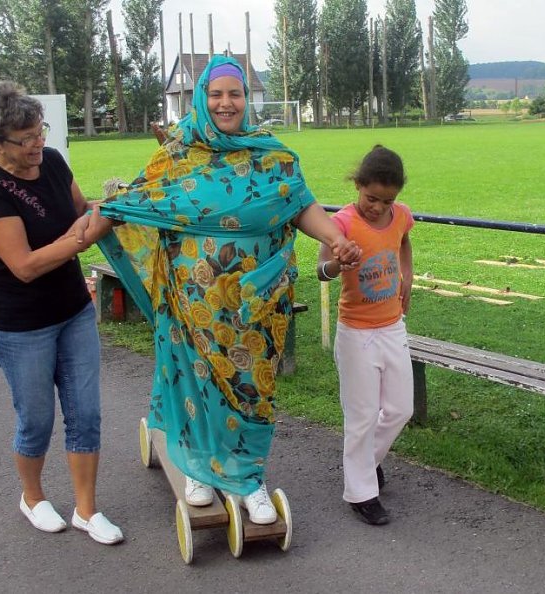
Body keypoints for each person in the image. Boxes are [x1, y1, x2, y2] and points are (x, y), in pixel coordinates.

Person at [95, 55, 360, 525]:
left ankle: (248, 475)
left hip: (255, 301)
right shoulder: (176, 156)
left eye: (234, 94)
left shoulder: (272, 156)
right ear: (201, 98)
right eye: (216, 94)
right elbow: (135, 202)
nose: (225, 103)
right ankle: (197, 465)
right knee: (196, 378)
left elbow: (299, 205)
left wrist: (336, 237)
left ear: (246, 99)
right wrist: (79, 230)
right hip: (190, 303)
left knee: (252, 385)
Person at [0, 81, 123, 545]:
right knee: (36, 417)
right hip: (20, 324)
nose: (38, 145)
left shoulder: (52, 162)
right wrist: (82, 236)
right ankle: (33, 498)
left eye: (41, 132)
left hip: (73, 309)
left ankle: (86, 510)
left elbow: (82, 209)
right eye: (26, 138)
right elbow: (25, 265)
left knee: (86, 413)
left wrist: (114, 206)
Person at [316, 145, 414, 525]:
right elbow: (321, 271)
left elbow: (403, 240)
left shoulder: (400, 216)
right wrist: (337, 264)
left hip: (392, 326)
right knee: (361, 416)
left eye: (386, 200)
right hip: (356, 332)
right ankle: (361, 493)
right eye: (371, 198)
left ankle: (364, 463)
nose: (377, 207)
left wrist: (408, 276)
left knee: (400, 408)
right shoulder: (341, 223)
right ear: (357, 185)